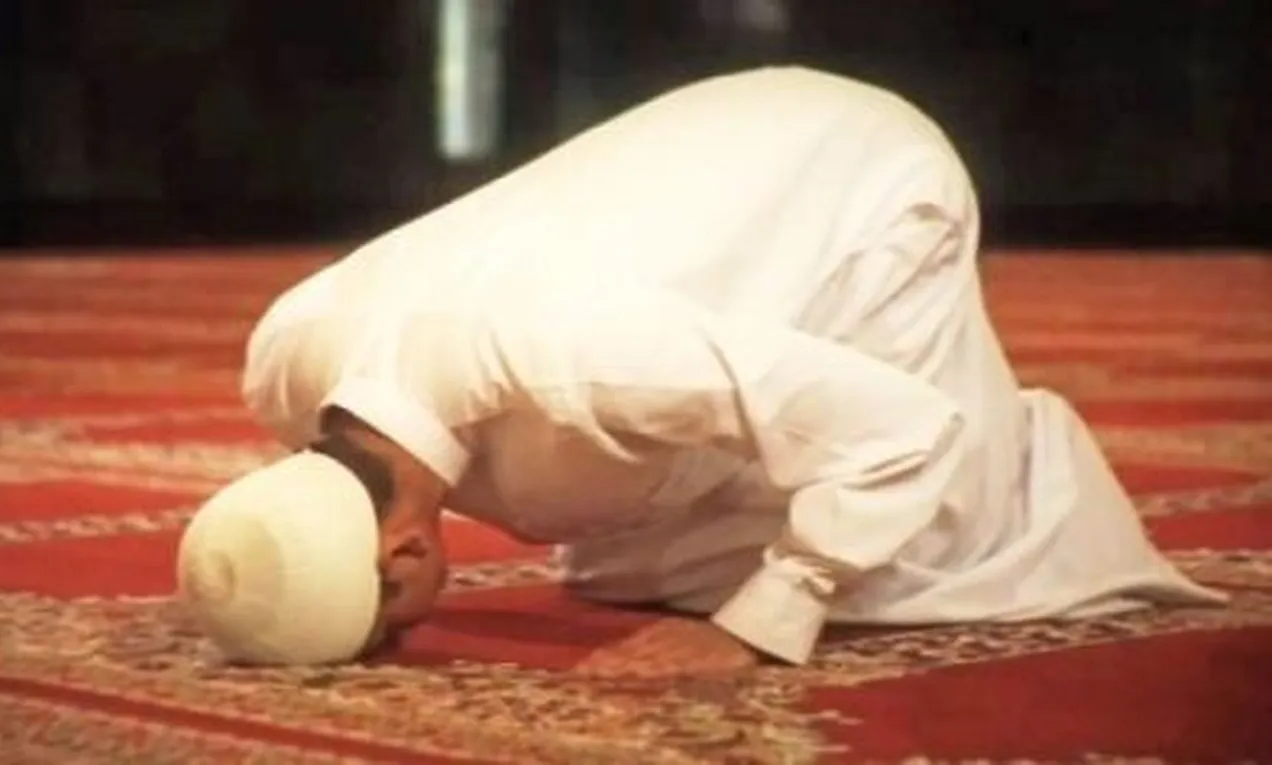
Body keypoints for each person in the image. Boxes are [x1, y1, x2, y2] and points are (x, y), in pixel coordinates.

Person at [176, 66, 1224, 673]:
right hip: (709, 153)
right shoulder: (282, 359)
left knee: (912, 548)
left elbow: (900, 427)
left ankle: (1025, 477)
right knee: (630, 557)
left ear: (402, 551)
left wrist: (761, 625)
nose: (401, 635)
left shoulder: (583, 369)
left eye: (385, 624)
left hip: (858, 169)